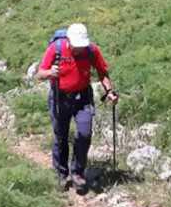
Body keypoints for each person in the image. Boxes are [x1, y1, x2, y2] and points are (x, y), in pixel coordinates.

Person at [36, 23, 118, 192]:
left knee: (85, 134)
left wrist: (109, 91)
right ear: (69, 41)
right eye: (76, 46)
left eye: (82, 46)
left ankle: (78, 173)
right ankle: (60, 173)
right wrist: (50, 73)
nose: (79, 49)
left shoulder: (91, 50)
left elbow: (103, 72)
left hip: (83, 98)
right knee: (61, 136)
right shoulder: (56, 48)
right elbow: (40, 73)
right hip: (60, 98)